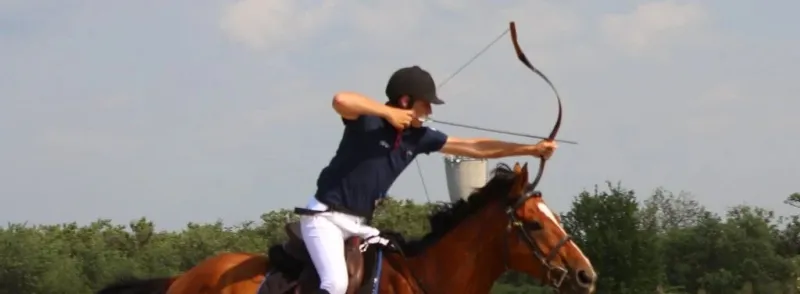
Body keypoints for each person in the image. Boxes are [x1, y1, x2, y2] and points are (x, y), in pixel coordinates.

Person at [299, 65, 558, 294]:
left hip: (360, 225)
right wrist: (386, 113)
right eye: (426, 103)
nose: (430, 110)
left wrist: (530, 150)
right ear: (404, 101)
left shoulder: (419, 137)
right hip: (325, 220)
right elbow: (340, 100)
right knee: (335, 286)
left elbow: (475, 147)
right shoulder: (367, 121)